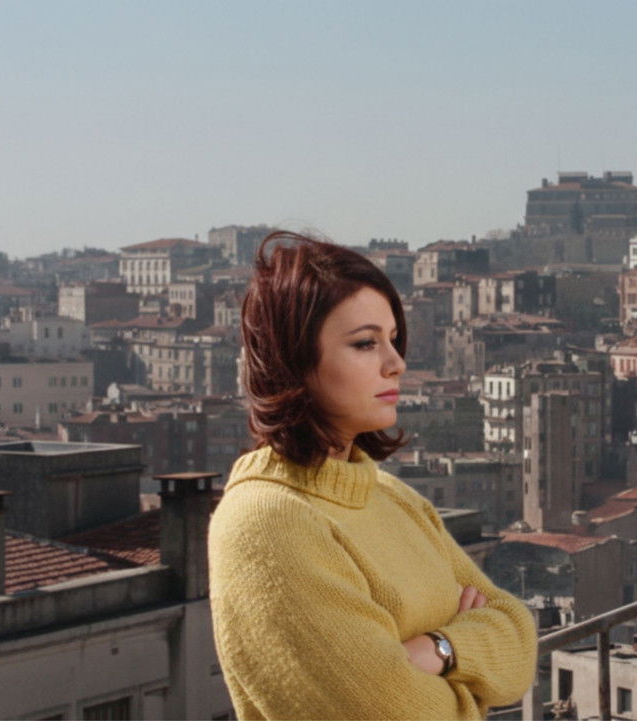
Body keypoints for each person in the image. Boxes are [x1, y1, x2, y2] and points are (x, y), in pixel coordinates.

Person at [208, 231, 537, 720]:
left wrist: (437, 649)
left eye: (393, 340)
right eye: (365, 343)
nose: (396, 364)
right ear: (292, 360)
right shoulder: (266, 523)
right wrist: (472, 674)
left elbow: (519, 639)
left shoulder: (392, 497)